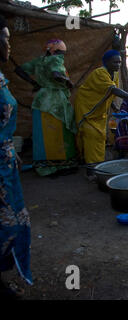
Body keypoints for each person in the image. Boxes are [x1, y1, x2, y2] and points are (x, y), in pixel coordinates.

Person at [0, 15, 32, 299]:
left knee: (8, 220)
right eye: (6, 39)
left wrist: (10, 149)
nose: (9, 45)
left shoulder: (0, 77)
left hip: (6, 162)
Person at [74, 50, 128, 176]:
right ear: (106, 62)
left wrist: (113, 107)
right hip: (87, 108)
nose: (118, 64)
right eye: (115, 62)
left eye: (120, 62)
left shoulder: (115, 75)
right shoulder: (100, 73)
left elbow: (108, 94)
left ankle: (98, 165)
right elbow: (113, 90)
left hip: (99, 111)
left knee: (101, 136)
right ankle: (91, 171)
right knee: (92, 135)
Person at [15, 39, 77, 177]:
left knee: (42, 136)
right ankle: (63, 166)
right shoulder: (56, 59)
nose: (62, 56)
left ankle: (45, 167)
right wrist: (68, 82)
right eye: (61, 52)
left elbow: (18, 69)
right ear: (54, 51)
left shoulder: (39, 61)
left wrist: (34, 83)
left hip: (40, 101)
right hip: (54, 103)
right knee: (60, 135)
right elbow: (56, 74)